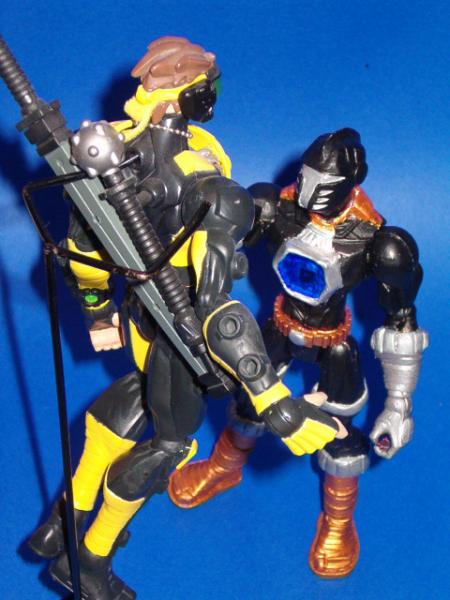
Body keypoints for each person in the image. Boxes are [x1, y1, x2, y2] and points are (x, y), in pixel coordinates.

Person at [29, 38, 344, 599]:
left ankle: (61, 523)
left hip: (140, 317)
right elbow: (218, 310)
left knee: (134, 400)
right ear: (185, 98)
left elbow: (84, 253)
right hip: (179, 329)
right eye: (208, 88)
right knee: (170, 445)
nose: (212, 97)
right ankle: (91, 558)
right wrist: (276, 404)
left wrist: (99, 312)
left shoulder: (117, 149)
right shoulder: (211, 182)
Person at [168, 128, 428, 578]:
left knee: (340, 430)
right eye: (305, 176)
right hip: (279, 326)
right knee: (250, 396)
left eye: (320, 182)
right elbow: (217, 235)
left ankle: (338, 520)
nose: (307, 189)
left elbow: (400, 323)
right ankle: (226, 466)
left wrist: (398, 403)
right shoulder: (275, 209)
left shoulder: (377, 242)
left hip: (334, 342)